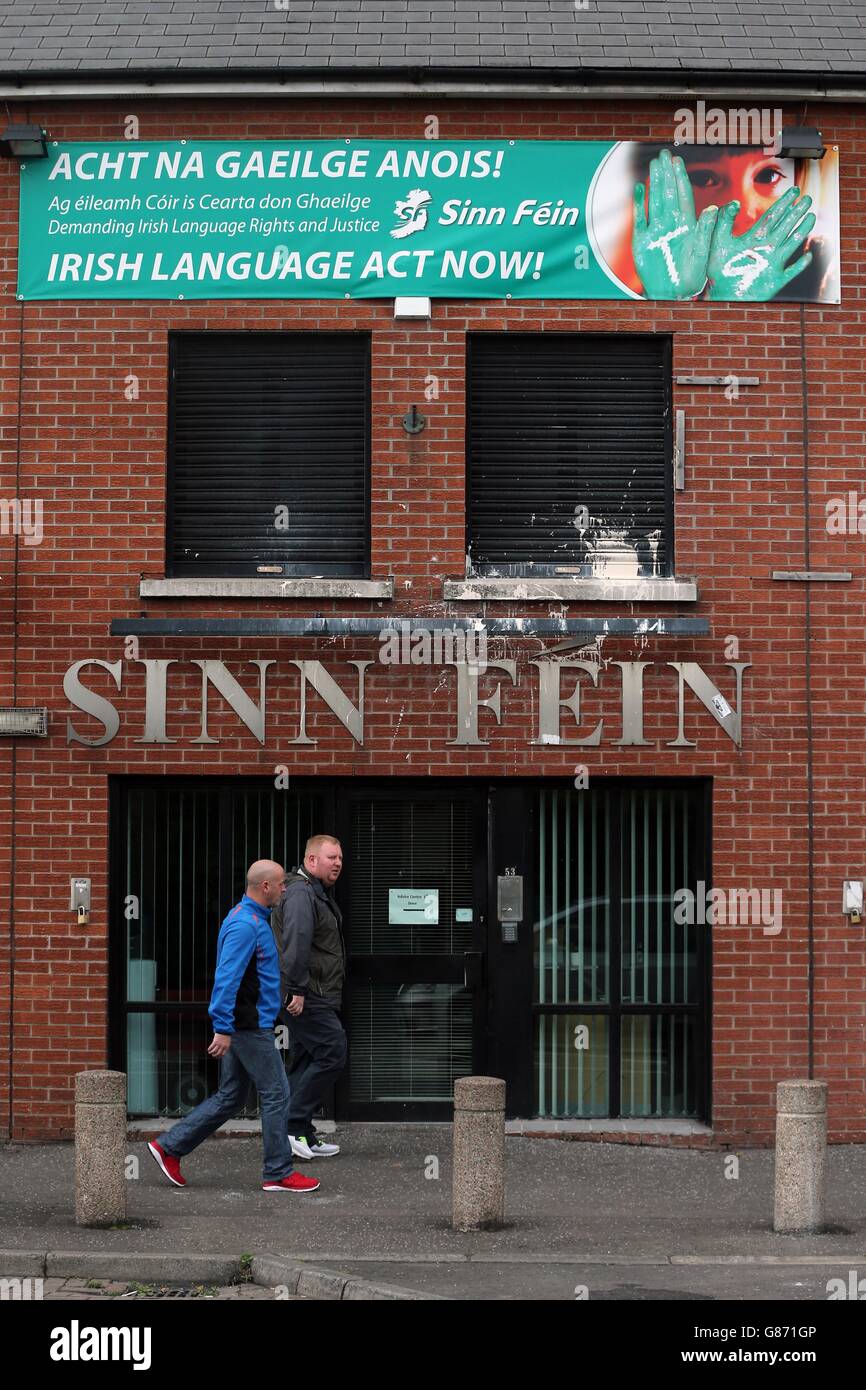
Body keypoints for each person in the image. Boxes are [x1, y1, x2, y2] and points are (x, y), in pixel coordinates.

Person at [147, 860, 320, 1195]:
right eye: (282, 884)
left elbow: (251, 977)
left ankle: (169, 1147)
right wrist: (223, 1028)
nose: (286, 889)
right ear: (265, 886)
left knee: (230, 1096)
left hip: (246, 1024)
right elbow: (226, 980)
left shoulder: (249, 919)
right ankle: (278, 1173)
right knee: (277, 1094)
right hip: (248, 1028)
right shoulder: (246, 925)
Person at [271, 835, 348, 1160]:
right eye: (331, 857)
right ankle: (292, 1125)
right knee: (333, 1050)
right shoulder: (302, 894)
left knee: (305, 1060)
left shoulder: (315, 893)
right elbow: (297, 942)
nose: (338, 863)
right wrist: (297, 990)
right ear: (311, 860)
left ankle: (301, 1132)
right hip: (307, 994)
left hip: (315, 992)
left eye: (340, 858)